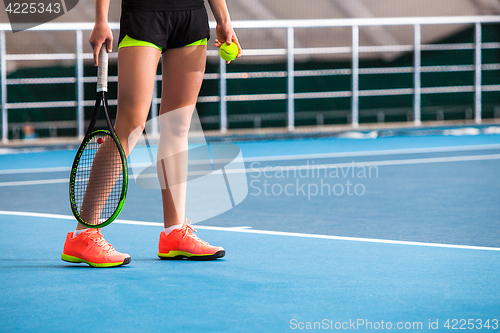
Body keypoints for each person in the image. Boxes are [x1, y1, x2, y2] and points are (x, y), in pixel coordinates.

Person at [61, 0, 241, 267]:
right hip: (144, 12)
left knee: (178, 125)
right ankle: (82, 234)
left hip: (191, 16)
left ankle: (174, 232)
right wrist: (101, 19)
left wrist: (223, 19)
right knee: (130, 126)